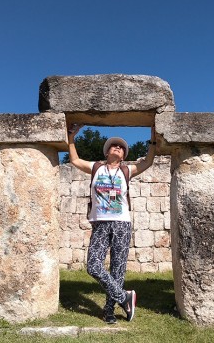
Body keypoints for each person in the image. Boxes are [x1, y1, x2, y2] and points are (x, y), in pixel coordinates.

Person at [67, 124, 156, 324]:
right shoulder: (96, 168)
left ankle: (109, 311)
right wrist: (71, 138)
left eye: (121, 147)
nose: (117, 147)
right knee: (93, 266)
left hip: (122, 223)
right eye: (113, 146)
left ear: (123, 155)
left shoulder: (127, 171)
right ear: (107, 152)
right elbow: (74, 160)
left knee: (118, 268)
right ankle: (124, 297)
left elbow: (148, 162)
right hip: (100, 223)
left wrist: (152, 140)